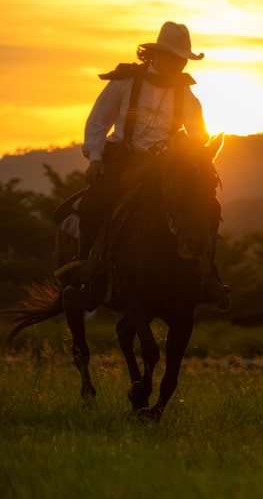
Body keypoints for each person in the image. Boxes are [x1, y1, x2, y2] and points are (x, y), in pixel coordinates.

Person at [63, 21, 230, 311]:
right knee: (95, 203)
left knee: (209, 206)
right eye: (174, 57)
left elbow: (198, 133)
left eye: (182, 59)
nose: (178, 64)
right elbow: (98, 123)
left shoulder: (186, 94)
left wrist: (194, 154)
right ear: (156, 55)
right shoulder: (124, 82)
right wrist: (96, 158)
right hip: (122, 159)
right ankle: (85, 271)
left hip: (166, 165)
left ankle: (207, 273)